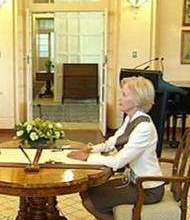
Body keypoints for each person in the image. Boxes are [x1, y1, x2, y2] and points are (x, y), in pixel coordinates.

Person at [67, 76, 164, 220]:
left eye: (124, 95)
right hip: (133, 181)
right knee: (87, 189)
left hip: (146, 188)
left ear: (137, 100)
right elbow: (111, 142)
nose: (119, 98)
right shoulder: (131, 118)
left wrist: (88, 158)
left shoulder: (144, 127)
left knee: (90, 200)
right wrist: (90, 150)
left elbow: (118, 162)